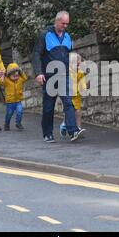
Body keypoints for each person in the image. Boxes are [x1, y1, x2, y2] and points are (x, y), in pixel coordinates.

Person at [32, 11, 84, 143]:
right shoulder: (45, 35)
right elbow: (36, 54)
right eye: (63, 23)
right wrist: (38, 73)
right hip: (49, 76)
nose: (65, 26)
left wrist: (75, 63)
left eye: (67, 24)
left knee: (69, 102)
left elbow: (70, 53)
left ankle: (73, 131)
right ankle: (47, 133)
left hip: (64, 75)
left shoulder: (67, 36)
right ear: (57, 21)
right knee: (49, 106)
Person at [60, 53, 87, 137]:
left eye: (79, 60)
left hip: (77, 96)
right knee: (69, 111)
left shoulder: (80, 73)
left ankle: (78, 128)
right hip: (69, 96)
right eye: (75, 61)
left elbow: (82, 82)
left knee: (78, 112)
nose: (78, 62)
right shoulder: (67, 71)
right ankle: (64, 125)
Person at [0, 63, 28, 131]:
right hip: (10, 102)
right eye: (14, 76)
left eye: (17, 75)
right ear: (9, 75)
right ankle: (7, 124)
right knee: (9, 114)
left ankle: (18, 123)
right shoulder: (6, 80)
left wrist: (21, 72)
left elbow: (25, 78)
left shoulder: (20, 79)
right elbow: (0, 82)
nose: (16, 77)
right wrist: (1, 77)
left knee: (20, 112)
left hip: (18, 101)